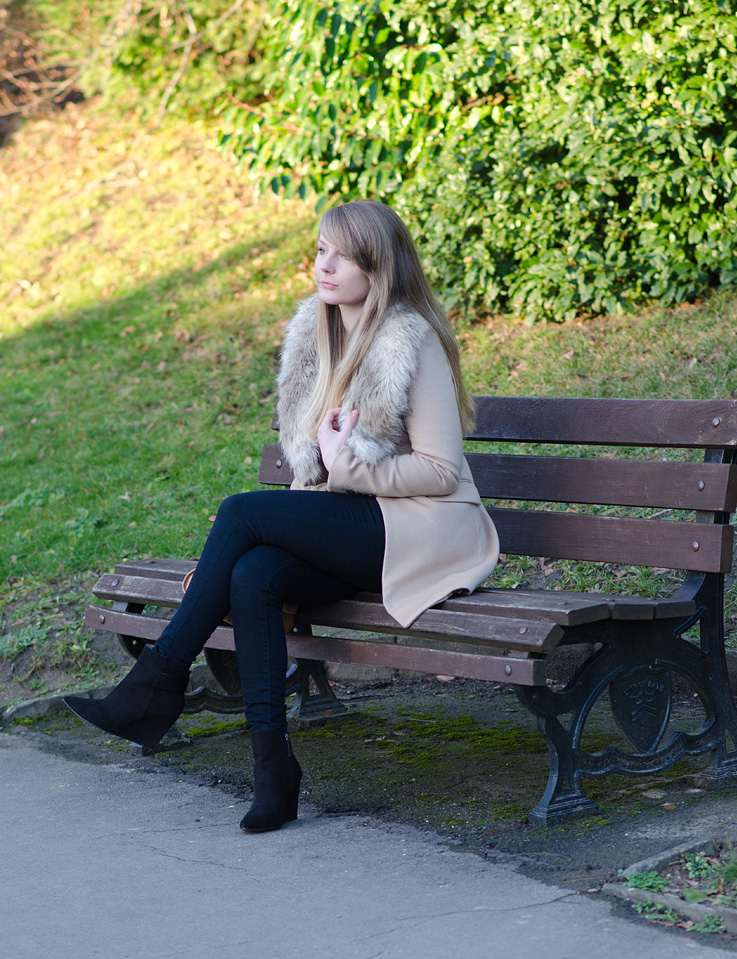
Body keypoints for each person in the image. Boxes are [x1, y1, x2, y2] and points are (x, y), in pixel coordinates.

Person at [64, 200, 500, 833]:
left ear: (377, 267)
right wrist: (315, 483)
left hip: (417, 531)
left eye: (341, 255)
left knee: (240, 512)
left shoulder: (410, 340)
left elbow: (440, 471)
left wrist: (347, 467)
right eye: (320, 250)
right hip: (348, 526)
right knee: (256, 574)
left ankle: (154, 685)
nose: (323, 265)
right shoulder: (315, 335)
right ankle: (274, 771)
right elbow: (313, 472)